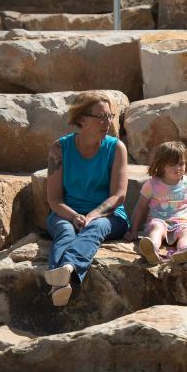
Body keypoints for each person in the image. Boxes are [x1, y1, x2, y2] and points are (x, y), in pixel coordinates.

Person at [42, 91, 129, 307]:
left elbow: (119, 195)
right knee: (65, 230)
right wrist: (73, 216)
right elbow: (53, 199)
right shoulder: (59, 149)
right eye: (100, 117)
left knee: (96, 227)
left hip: (109, 215)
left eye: (109, 116)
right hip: (65, 212)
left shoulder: (116, 147)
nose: (106, 122)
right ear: (81, 119)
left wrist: (93, 214)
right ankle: (60, 285)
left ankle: (66, 271)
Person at [124, 141, 187, 265]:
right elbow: (140, 208)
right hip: (158, 220)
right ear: (161, 165)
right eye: (172, 165)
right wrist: (133, 231)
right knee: (156, 229)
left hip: (182, 222)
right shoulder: (152, 184)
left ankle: (183, 251)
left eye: (181, 163)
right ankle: (151, 250)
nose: (178, 168)